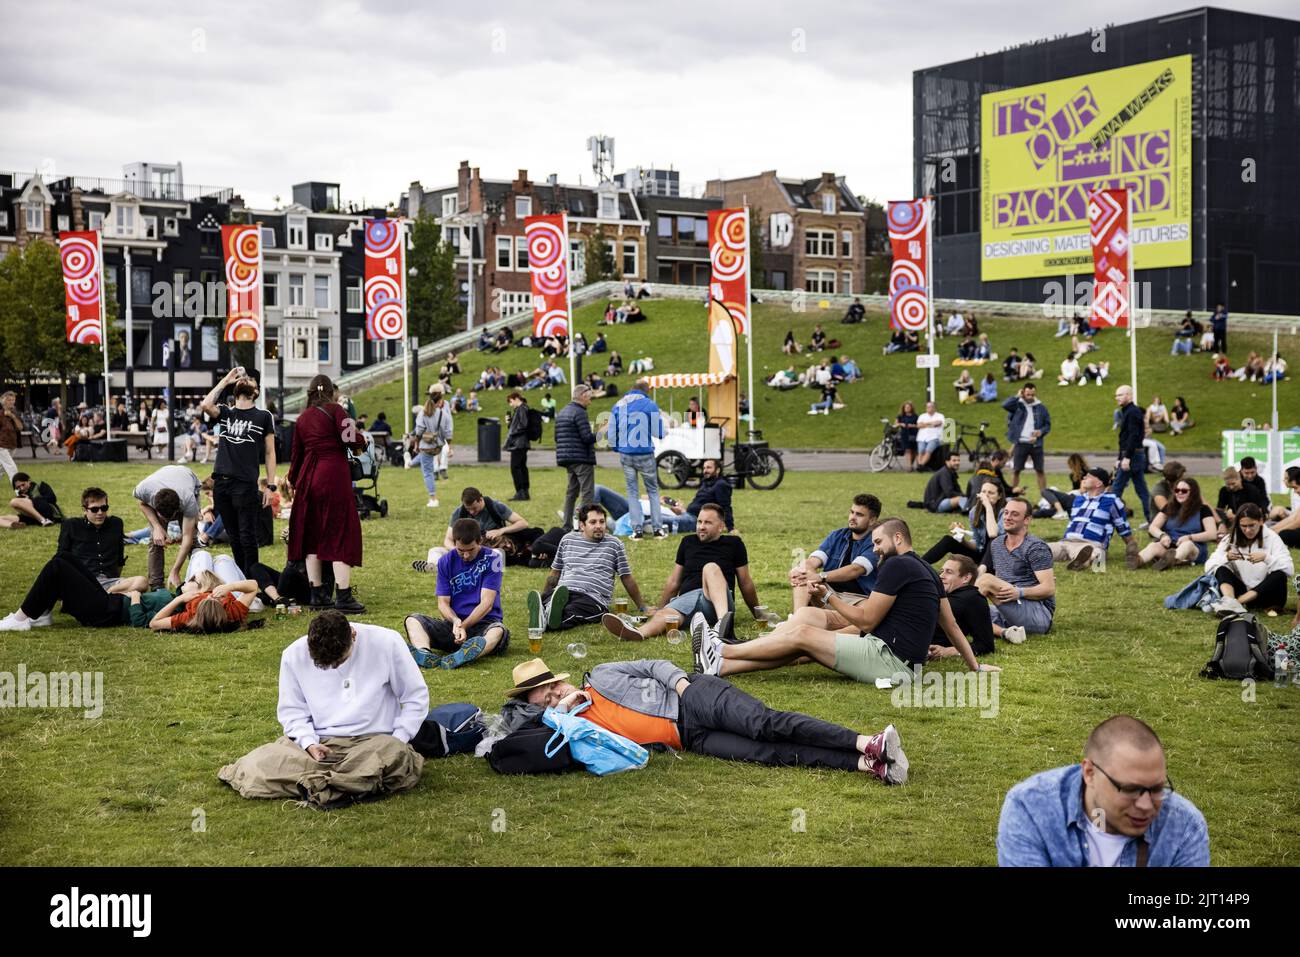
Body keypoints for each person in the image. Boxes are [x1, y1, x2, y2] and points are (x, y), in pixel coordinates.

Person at [510, 657, 910, 783]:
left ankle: (865, 741)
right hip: (690, 739)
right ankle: (864, 763)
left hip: (695, 698)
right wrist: (564, 714)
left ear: (559, 678)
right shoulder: (577, 731)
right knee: (763, 753)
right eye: (544, 698)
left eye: (552, 686)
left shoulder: (600, 676)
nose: (553, 694)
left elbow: (653, 663)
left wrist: (682, 685)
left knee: (764, 725)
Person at [694, 518, 995, 684]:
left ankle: (723, 648)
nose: (875, 549)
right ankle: (721, 666)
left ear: (899, 538)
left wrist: (826, 596)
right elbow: (952, 625)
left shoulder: (896, 565)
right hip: (905, 665)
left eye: (879, 542)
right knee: (804, 644)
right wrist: (975, 668)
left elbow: (866, 621)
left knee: (801, 634)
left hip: (888, 660)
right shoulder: (927, 570)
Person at [218, 611, 427, 809]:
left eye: (339, 661)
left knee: (394, 755)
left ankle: (324, 782)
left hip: (374, 743)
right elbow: (293, 712)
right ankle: (346, 783)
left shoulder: (387, 642)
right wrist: (309, 744)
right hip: (320, 744)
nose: (334, 667)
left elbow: (415, 697)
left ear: (353, 635)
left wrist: (399, 738)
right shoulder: (293, 654)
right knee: (256, 765)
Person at [997, 715, 1209, 867]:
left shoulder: (1185, 826)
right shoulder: (1031, 809)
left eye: (1156, 789)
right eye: (1130, 789)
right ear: (1089, 773)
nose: (1146, 805)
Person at [602, 504, 760, 642]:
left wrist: (758, 613)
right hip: (687, 600)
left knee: (710, 568)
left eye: (708, 522)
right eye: (699, 521)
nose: (701, 526)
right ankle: (638, 633)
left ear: (720, 526)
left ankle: (724, 627)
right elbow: (674, 582)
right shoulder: (688, 542)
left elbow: (745, 582)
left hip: (718, 600)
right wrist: (660, 608)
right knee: (666, 615)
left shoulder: (734, 544)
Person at [286, 374, 367, 613]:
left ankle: (318, 594)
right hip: (334, 476)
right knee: (339, 532)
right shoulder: (337, 411)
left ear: (310, 393)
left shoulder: (302, 419)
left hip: (309, 480)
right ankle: (343, 596)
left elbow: (296, 456)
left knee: (312, 536)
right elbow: (351, 438)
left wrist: (294, 481)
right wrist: (363, 441)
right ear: (331, 391)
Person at [199, 367, 277, 579]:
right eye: (244, 378)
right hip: (222, 485)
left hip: (245, 485)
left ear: (256, 391)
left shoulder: (263, 416)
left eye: (251, 380)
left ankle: (253, 582)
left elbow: (270, 453)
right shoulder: (226, 412)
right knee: (234, 536)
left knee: (247, 536)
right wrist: (225, 381)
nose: (246, 380)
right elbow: (206, 405)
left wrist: (271, 486)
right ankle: (242, 579)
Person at [404, 519, 509, 670]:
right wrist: (455, 622)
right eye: (461, 550)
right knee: (413, 620)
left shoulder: (493, 559)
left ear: (480, 541)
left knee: (498, 631)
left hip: (484, 624)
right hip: (453, 626)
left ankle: (466, 654)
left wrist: (464, 626)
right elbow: (443, 603)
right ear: (454, 543)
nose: (465, 556)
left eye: (470, 550)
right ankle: (424, 653)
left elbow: (487, 604)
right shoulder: (445, 561)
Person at [528, 503, 650, 631]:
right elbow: (555, 573)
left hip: (592, 598)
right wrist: (544, 595)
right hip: (563, 592)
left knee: (571, 611)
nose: (598, 526)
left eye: (602, 522)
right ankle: (545, 610)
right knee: (553, 602)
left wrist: (642, 607)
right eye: (593, 522)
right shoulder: (567, 540)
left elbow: (626, 577)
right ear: (582, 525)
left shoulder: (614, 544)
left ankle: (542, 620)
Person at [976, 497, 1056, 643]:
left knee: (986, 581)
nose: (1007, 517)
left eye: (1014, 514)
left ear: (1026, 520)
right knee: (961, 612)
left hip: (1038, 615)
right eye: (1006, 513)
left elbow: (1049, 588)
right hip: (1006, 610)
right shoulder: (997, 544)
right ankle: (1006, 633)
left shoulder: (1036, 548)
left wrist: (1019, 592)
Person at [791, 494, 881, 610]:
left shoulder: (876, 541)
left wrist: (820, 576)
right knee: (804, 576)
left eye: (859, 515)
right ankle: (796, 617)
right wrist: (799, 571)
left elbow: (855, 570)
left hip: (857, 599)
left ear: (872, 520)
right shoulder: (837, 535)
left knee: (867, 612)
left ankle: (804, 619)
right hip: (827, 593)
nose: (852, 517)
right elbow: (813, 561)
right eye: (852, 512)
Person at [606, 377, 667, 539]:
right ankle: (657, 529)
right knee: (653, 491)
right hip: (645, 453)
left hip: (626, 454)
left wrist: (616, 447)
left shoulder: (619, 404)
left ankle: (637, 530)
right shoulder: (650, 405)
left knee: (632, 492)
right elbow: (658, 432)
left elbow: (611, 432)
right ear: (647, 390)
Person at [1206, 504, 1294, 615]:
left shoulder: (1273, 538)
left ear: (1261, 521)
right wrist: (1226, 557)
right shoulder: (1231, 538)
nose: (1247, 530)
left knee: (1279, 574)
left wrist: (1266, 558)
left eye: (1252, 525)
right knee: (1220, 567)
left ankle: (1236, 603)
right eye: (1243, 526)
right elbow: (1208, 566)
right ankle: (1229, 601)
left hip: (1267, 597)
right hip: (1241, 589)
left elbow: (1289, 569)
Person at [1047, 468, 1138, 571]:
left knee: (1094, 552)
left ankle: (1085, 561)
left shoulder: (1112, 501)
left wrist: (1132, 546)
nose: (1084, 478)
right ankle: (1082, 561)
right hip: (1066, 543)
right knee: (1039, 550)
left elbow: (1123, 528)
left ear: (1099, 483)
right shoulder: (1078, 500)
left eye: (1089, 476)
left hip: (1091, 544)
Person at [131, 464, 200, 588]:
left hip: (187, 477)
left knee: (193, 540)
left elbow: (187, 538)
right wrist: (157, 527)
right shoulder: (144, 490)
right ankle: (156, 586)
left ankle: (199, 580)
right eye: (162, 516)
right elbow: (142, 504)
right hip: (164, 477)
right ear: (155, 506)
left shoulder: (188, 500)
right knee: (156, 540)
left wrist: (175, 571)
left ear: (178, 509)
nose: (167, 520)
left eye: (170, 517)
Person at [1134, 477, 1218, 571]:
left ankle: (1172, 560)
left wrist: (1190, 537)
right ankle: (1137, 560)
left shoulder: (1203, 509)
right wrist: (1162, 535)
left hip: (1194, 548)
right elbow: (1153, 527)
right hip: (1170, 545)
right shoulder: (1169, 507)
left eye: (1184, 491)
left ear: (1193, 492)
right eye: (1177, 490)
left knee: (1187, 545)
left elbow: (1212, 534)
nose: (1179, 493)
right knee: (1153, 546)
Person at [922, 478, 1002, 567]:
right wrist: (962, 540)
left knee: (993, 542)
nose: (986, 496)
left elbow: (993, 534)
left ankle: (982, 569)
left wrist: (988, 506)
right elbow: (977, 544)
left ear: (999, 496)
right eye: (984, 492)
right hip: (981, 556)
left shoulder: (1005, 513)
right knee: (947, 540)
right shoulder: (975, 512)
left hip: (997, 558)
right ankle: (918, 565)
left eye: (991, 493)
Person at [927, 555, 996, 659]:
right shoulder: (939, 592)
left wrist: (949, 651)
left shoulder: (974, 599)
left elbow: (985, 645)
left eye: (949, 572)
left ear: (966, 578)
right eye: (942, 571)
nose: (941, 575)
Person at [56, 486, 126, 586]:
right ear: (84, 510)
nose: (100, 513)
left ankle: (104, 593)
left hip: (110, 581)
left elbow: (120, 558)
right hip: (83, 581)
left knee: (141, 582)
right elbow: (61, 558)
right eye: (94, 509)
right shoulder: (71, 525)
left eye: (104, 508)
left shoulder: (116, 523)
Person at [555, 384, 597, 531]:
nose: (590, 400)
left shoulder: (562, 412)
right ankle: (582, 526)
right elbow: (587, 438)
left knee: (571, 493)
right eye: (589, 397)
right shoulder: (580, 413)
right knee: (587, 493)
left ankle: (566, 525)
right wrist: (601, 432)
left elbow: (557, 437)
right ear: (583, 396)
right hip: (581, 458)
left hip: (567, 458)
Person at [1110, 385, 1151, 526]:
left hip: (1132, 456)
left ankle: (1105, 520)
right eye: (1116, 395)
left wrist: (1126, 458)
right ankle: (1151, 520)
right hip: (1132, 455)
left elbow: (1134, 436)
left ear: (1129, 395)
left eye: (1120, 395)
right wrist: (1119, 458)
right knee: (1142, 490)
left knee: (1116, 489)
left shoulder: (1133, 412)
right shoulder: (1128, 411)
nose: (1117, 398)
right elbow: (1125, 437)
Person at [1002, 383, 1050, 495]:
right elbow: (1005, 405)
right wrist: (1017, 396)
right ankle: (1013, 495)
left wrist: (1040, 432)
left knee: (1040, 470)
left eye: (1032, 394)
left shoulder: (1041, 408)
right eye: (1028, 394)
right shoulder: (1017, 405)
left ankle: (1045, 495)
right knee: (1016, 470)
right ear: (1023, 392)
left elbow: (1047, 425)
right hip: (1020, 442)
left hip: (1036, 443)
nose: (1030, 397)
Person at [414, 384, 452, 508]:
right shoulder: (444, 414)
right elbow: (448, 432)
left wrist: (416, 443)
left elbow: (419, 431)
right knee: (427, 463)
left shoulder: (422, 414)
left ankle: (433, 498)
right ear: (440, 401)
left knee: (427, 472)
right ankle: (408, 463)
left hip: (425, 446)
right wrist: (449, 446)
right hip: (438, 447)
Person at [503, 391, 533, 502]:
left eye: (511, 402)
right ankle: (524, 492)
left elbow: (523, 425)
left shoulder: (522, 409)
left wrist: (512, 432)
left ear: (516, 399)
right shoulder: (522, 409)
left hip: (519, 443)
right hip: (521, 443)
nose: (511, 405)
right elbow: (519, 425)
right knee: (521, 467)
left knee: (515, 467)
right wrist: (510, 423)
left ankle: (520, 492)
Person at [915, 401, 944, 470]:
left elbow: (938, 423)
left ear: (935, 408)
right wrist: (931, 424)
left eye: (931, 407)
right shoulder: (922, 416)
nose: (929, 408)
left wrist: (925, 424)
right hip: (922, 437)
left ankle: (921, 465)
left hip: (934, 437)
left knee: (928, 450)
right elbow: (919, 425)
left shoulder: (940, 416)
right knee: (921, 451)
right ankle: (920, 465)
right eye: (928, 407)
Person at [0, 391, 22, 482]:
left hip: (12, 445)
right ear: (3, 401)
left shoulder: (15, 413)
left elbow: (20, 427)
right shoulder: (0, 414)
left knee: (1, 468)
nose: (12, 402)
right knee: (12, 468)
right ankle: (19, 491)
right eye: (9, 400)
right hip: (2, 446)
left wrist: (12, 416)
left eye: (13, 400)